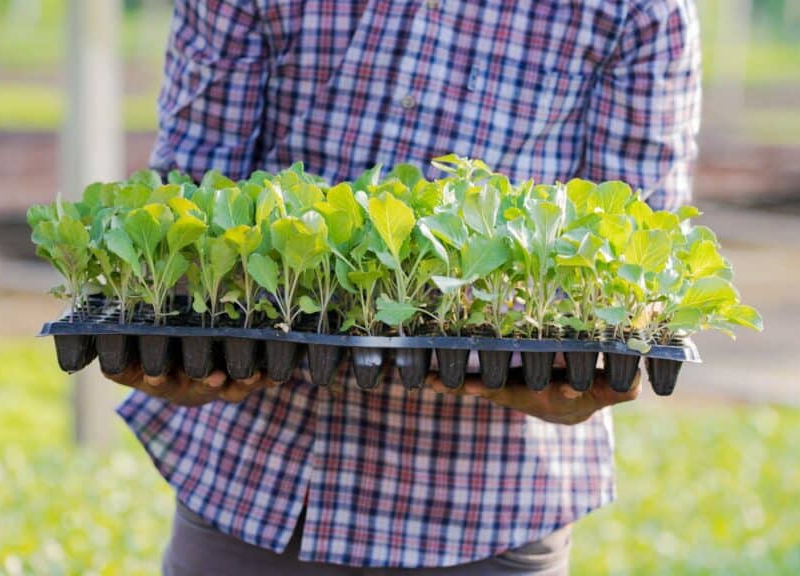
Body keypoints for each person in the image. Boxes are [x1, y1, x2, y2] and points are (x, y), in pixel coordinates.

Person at [107, 0, 700, 573]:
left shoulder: (643, 9)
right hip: (259, 483)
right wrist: (171, 336)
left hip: (490, 507)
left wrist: (586, 365)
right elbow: (191, 194)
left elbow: (633, 247)